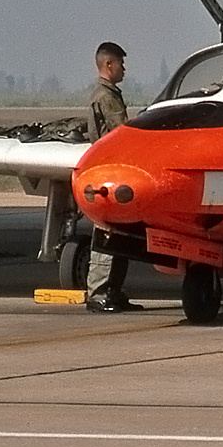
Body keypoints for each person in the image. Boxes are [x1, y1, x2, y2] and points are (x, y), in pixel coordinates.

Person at [86, 41, 133, 313]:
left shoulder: (104, 94)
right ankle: (100, 291)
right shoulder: (106, 97)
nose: (124, 69)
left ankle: (112, 291)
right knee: (107, 234)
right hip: (109, 173)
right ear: (109, 65)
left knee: (118, 236)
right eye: (121, 64)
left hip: (107, 170)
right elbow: (121, 133)